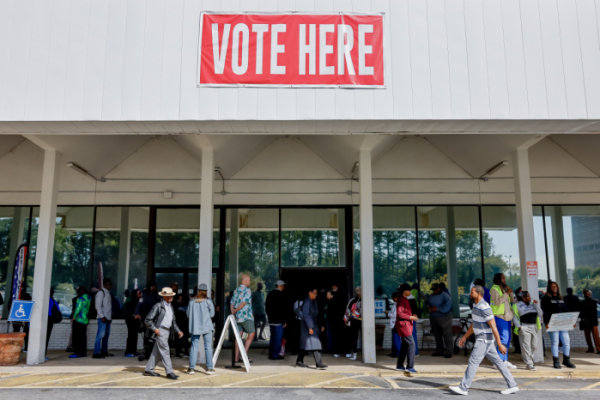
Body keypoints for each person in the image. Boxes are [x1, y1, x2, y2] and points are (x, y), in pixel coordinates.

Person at [449, 285, 519, 396]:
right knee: (499, 363)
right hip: (485, 340)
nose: (470, 294)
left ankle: (463, 388)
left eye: (472, 292)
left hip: (484, 339)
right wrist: (464, 337)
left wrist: (500, 344)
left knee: (473, 361)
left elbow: (494, 326)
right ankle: (513, 385)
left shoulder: (484, 307)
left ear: (479, 293)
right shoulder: (476, 305)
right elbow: (474, 324)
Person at [143, 287, 184, 379]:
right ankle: (169, 372)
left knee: (157, 352)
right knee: (165, 351)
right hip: (161, 331)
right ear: (165, 297)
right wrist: (155, 329)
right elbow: (148, 320)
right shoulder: (158, 306)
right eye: (170, 295)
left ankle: (148, 370)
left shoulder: (170, 307)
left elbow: (173, 322)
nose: (172, 297)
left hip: (167, 331)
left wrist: (178, 331)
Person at [541, 281, 576, 369]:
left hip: (563, 323)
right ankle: (556, 361)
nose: (554, 288)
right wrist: (546, 322)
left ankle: (566, 360)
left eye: (555, 286)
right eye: (552, 287)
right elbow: (544, 311)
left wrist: (571, 322)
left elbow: (566, 310)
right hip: (552, 323)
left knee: (566, 341)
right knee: (555, 342)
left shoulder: (561, 298)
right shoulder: (546, 298)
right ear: (549, 288)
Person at [186, 283, 215, 375]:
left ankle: (191, 369)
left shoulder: (192, 301)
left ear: (198, 291)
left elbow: (187, 314)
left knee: (194, 347)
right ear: (206, 291)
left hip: (195, 327)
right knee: (208, 347)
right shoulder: (208, 301)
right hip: (207, 326)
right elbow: (212, 314)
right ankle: (209, 368)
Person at [296, 288, 327, 369]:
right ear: (309, 293)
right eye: (314, 293)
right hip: (307, 326)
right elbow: (306, 315)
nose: (315, 295)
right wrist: (310, 327)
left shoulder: (314, 302)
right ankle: (319, 363)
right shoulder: (307, 302)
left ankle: (299, 361)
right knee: (315, 343)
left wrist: (320, 326)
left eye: (316, 293)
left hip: (313, 326)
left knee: (306, 344)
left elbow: (316, 316)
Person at [490, 273, 516, 369]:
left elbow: (512, 300)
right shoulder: (494, 289)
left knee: (507, 339)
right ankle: (498, 361)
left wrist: (510, 292)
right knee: (503, 339)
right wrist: (506, 293)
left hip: (507, 317)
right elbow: (498, 302)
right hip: (499, 316)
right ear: (498, 279)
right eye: (503, 278)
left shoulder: (503, 289)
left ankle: (504, 360)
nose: (505, 280)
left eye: (505, 278)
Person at [512, 291, 543, 370]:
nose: (530, 297)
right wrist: (519, 327)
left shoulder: (533, 305)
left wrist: (537, 305)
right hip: (524, 327)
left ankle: (530, 360)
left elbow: (540, 314)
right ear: (523, 298)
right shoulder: (517, 305)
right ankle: (529, 363)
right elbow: (515, 317)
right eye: (528, 296)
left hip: (534, 327)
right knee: (526, 347)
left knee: (533, 346)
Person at [230, 275, 255, 363]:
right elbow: (244, 303)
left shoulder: (236, 290)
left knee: (238, 337)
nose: (249, 282)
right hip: (246, 316)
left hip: (237, 317)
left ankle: (236, 358)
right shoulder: (247, 290)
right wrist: (236, 310)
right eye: (248, 280)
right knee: (252, 334)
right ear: (244, 281)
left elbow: (232, 302)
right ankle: (244, 355)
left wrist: (233, 311)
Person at [396, 284, 419, 372]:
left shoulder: (404, 299)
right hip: (404, 326)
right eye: (409, 290)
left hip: (406, 325)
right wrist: (411, 317)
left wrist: (411, 315)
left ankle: (400, 365)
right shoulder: (402, 300)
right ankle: (410, 366)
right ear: (405, 291)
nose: (410, 292)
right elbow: (400, 314)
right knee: (411, 344)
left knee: (405, 345)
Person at [426, 283, 453, 358]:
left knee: (447, 335)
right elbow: (427, 304)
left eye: (435, 289)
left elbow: (448, 306)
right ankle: (439, 351)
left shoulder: (445, 296)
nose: (434, 291)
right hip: (434, 318)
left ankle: (448, 351)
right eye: (433, 290)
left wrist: (437, 309)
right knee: (437, 335)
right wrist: (428, 307)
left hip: (445, 318)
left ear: (439, 288)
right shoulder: (431, 296)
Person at [135, 281, 159, 360]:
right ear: (151, 287)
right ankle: (147, 353)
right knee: (147, 338)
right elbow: (139, 306)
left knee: (155, 338)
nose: (156, 287)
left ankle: (153, 353)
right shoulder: (144, 296)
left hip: (156, 320)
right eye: (155, 286)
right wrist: (137, 313)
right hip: (147, 320)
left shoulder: (156, 296)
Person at [265, 280, 287, 360]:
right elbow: (284, 309)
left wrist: (270, 316)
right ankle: (275, 355)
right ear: (280, 286)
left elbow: (267, 308)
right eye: (283, 285)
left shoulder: (270, 294)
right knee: (278, 338)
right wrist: (285, 320)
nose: (284, 287)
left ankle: (271, 353)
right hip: (279, 321)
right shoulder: (282, 295)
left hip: (271, 320)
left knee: (272, 337)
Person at [93, 278, 113, 359]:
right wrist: (102, 316)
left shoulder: (108, 293)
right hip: (102, 318)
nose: (110, 286)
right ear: (104, 284)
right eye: (109, 284)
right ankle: (96, 353)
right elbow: (97, 306)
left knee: (106, 335)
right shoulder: (101, 293)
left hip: (108, 317)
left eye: (111, 284)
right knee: (100, 335)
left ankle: (104, 351)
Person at [70, 287, 91, 359]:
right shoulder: (89, 298)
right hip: (85, 320)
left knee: (76, 337)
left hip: (79, 320)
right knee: (83, 336)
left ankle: (77, 353)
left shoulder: (80, 298)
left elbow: (77, 309)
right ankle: (83, 352)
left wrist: (74, 317)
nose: (77, 292)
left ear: (82, 291)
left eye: (78, 291)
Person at [580, 289, 600, 354]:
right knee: (588, 335)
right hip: (588, 320)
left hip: (591, 321)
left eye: (585, 293)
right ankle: (591, 348)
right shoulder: (584, 302)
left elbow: (592, 312)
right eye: (584, 293)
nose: (584, 294)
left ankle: (598, 349)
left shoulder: (592, 302)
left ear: (588, 294)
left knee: (595, 336)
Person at [344, 286, 362, 361]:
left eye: (358, 290)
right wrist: (346, 319)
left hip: (364, 321)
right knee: (354, 337)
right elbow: (347, 310)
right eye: (356, 290)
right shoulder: (352, 300)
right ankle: (354, 353)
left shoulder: (366, 299)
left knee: (365, 337)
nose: (357, 291)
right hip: (354, 320)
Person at [124, 289, 142, 357]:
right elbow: (129, 313)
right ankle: (128, 351)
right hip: (131, 321)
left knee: (135, 336)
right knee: (131, 335)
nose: (140, 294)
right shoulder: (131, 302)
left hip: (136, 321)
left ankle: (134, 351)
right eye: (138, 292)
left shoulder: (138, 302)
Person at [46, 288, 61, 358]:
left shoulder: (45, 299)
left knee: (43, 337)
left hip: (45, 318)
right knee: (47, 336)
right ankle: (43, 353)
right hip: (51, 319)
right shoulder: (53, 300)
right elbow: (58, 309)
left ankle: (41, 353)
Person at [175, 294, 190, 359]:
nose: (180, 300)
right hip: (178, 324)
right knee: (178, 339)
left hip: (185, 324)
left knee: (186, 338)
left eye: (181, 298)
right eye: (179, 299)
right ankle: (177, 353)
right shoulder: (176, 305)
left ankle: (186, 352)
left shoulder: (187, 304)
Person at [388, 291, 401, 358]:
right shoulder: (396, 304)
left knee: (396, 339)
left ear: (396, 297)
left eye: (393, 297)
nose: (392, 299)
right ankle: (394, 352)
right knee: (394, 339)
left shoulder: (398, 304)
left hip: (396, 323)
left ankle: (397, 353)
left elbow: (395, 314)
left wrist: (388, 313)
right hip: (395, 323)